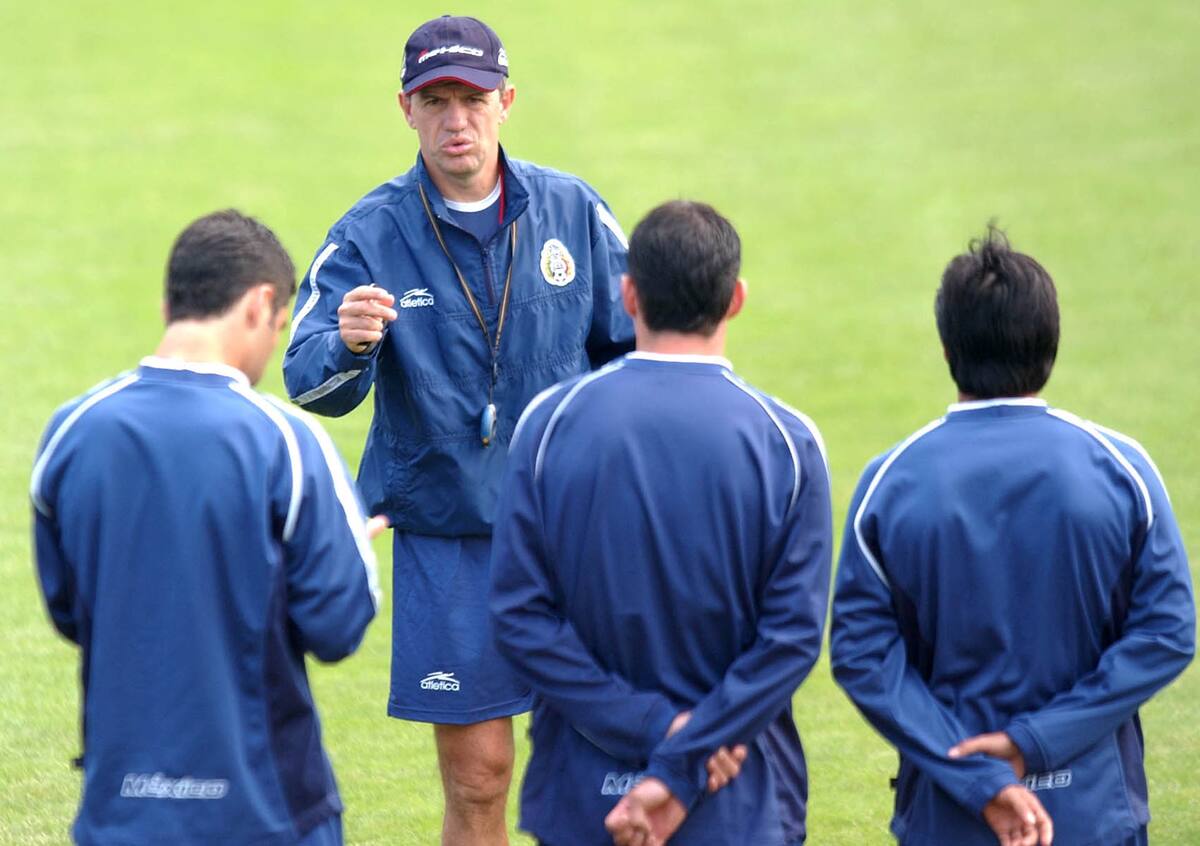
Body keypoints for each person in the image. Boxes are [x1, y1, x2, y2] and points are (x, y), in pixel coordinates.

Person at [282, 14, 633, 844]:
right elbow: (306, 376)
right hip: (448, 538)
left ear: (506, 100)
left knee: (602, 763)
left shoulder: (575, 212)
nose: (456, 121)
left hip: (570, 531)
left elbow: (636, 352)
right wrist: (350, 342)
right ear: (406, 109)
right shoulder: (367, 233)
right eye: (435, 100)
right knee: (479, 781)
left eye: (472, 99)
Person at [830, 226, 1195, 846]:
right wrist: (1036, 744)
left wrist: (977, 774)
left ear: (948, 349)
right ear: (1050, 344)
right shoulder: (1121, 468)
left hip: (949, 817)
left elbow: (863, 656)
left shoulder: (891, 480)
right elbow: (1167, 632)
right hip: (1092, 814)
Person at [31, 210, 384, 846]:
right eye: (279, 329)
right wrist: (349, 546)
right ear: (261, 305)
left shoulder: (71, 431)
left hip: (121, 812)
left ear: (170, 303)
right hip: (265, 812)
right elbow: (337, 627)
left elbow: (68, 612)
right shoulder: (286, 439)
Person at [489, 200, 833, 845]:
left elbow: (520, 620)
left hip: (586, 793)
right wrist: (690, 757)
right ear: (736, 299)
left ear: (628, 295)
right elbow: (790, 639)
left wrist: (658, 737)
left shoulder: (548, 424)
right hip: (738, 797)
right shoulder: (788, 441)